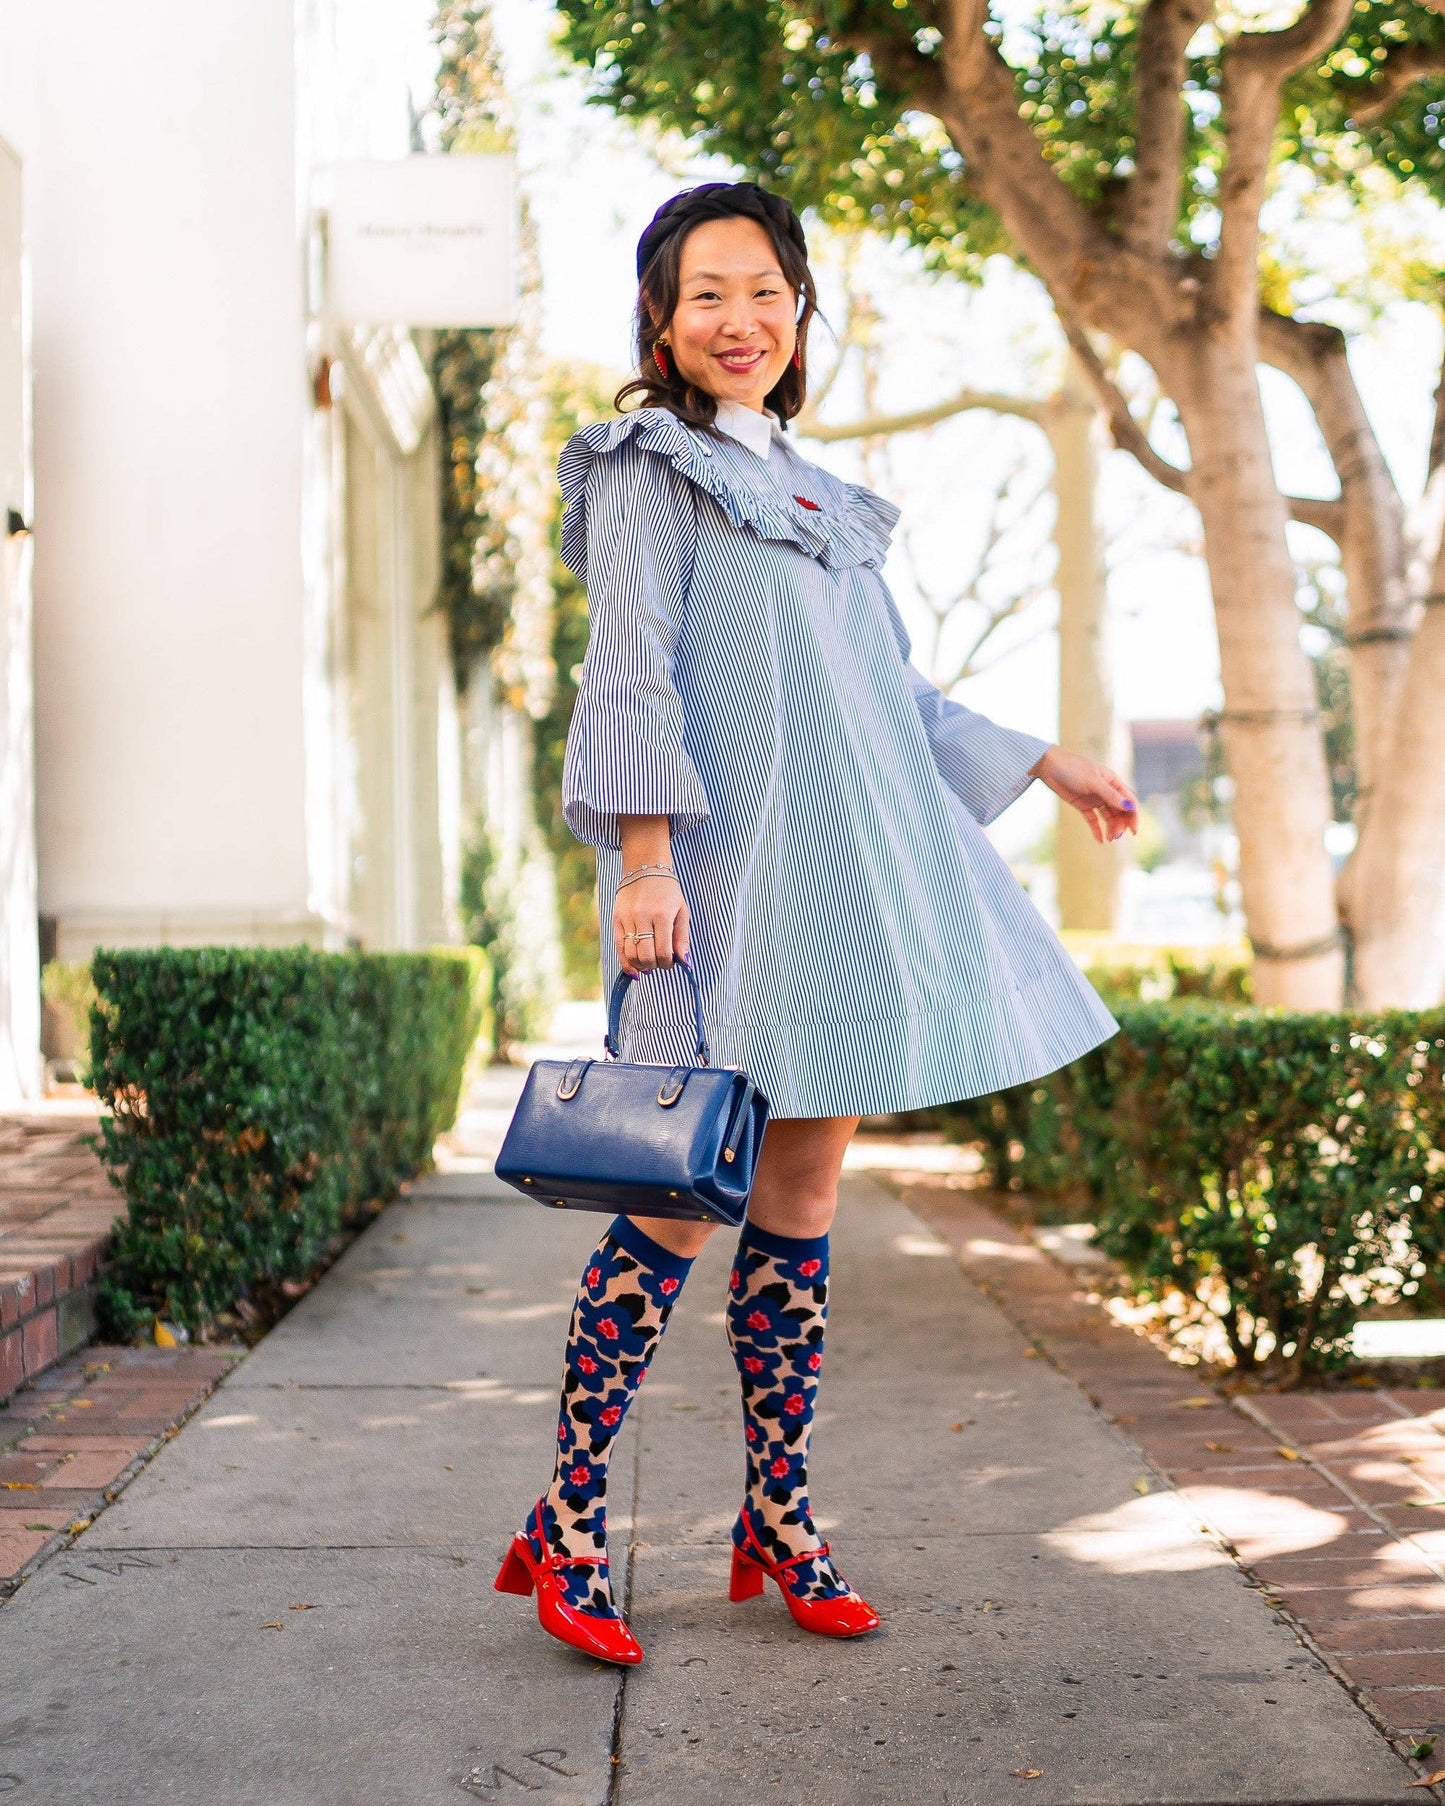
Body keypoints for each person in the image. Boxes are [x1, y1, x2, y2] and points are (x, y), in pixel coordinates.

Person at [493, 182, 1137, 1667]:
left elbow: (889, 699)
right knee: (673, 1191)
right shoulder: (647, 468)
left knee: (799, 1192)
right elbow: (631, 673)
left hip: (836, 883)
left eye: (767, 290)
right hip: (713, 884)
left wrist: (1041, 756)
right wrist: (642, 858)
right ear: (661, 319)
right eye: (706, 292)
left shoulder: (815, 491)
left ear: (799, 314)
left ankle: (776, 1510)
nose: (739, 319)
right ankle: (569, 1517)